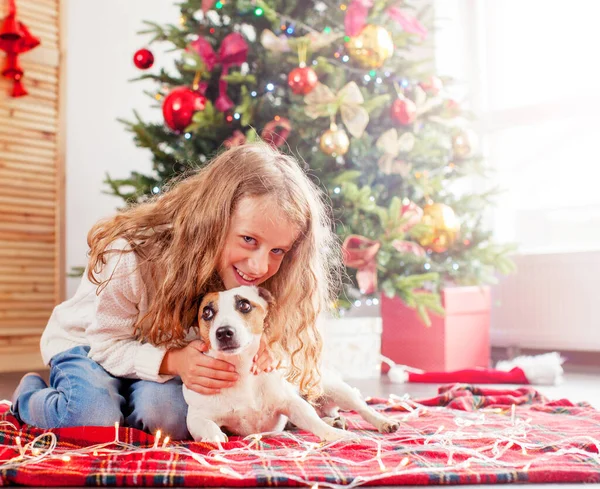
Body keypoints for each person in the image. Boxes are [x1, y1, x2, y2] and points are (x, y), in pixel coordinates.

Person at [11, 143, 342, 439]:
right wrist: (173, 361)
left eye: (277, 251)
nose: (258, 267)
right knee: (92, 418)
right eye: (249, 240)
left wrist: (266, 347)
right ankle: (30, 397)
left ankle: (121, 401)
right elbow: (104, 344)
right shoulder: (131, 255)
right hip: (93, 345)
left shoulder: (252, 277)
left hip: (159, 356)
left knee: (168, 420)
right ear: (214, 219)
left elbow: (263, 334)